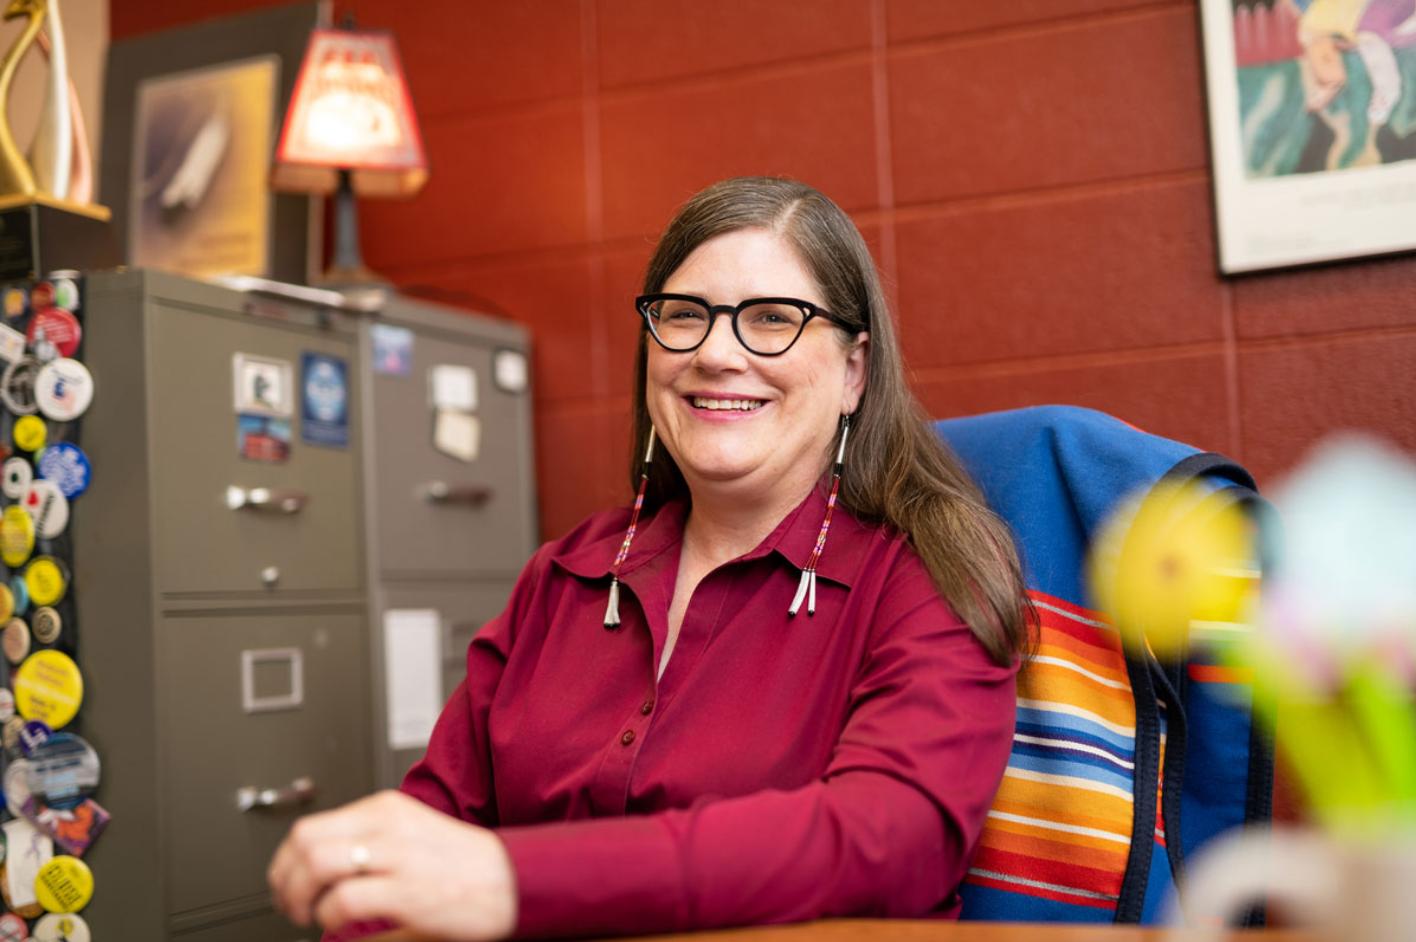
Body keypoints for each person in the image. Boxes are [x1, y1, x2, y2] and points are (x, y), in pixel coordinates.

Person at [268, 177, 1033, 940]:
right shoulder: (562, 577)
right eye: (684, 317)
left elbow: (890, 842)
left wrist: (514, 881)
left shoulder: (928, 573)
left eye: (772, 320)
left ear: (854, 372)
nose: (714, 353)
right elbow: (428, 836)